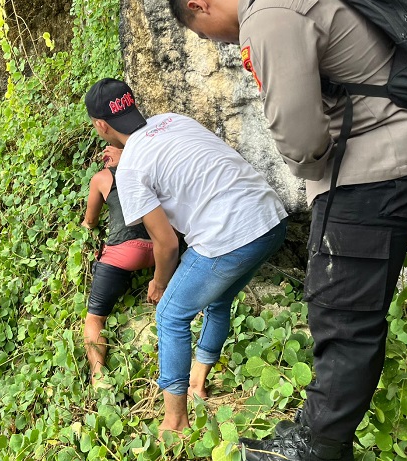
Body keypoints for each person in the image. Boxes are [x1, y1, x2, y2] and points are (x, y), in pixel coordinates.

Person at [168, 0, 407, 461]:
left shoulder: (269, 15)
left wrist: (312, 179)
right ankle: (320, 434)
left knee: (341, 313)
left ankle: (317, 448)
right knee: (348, 311)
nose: (219, 43)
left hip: (376, 172)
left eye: (205, 33)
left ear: (199, 6)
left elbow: (301, 137)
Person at [85, 78, 288, 433]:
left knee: (169, 315)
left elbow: (166, 244)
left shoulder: (130, 167)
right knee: (218, 302)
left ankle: (174, 420)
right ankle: (197, 383)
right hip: (270, 220)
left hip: (228, 237)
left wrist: (160, 282)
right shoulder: (175, 120)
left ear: (101, 126)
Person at [81, 148, 155, 386]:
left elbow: (90, 221)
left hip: (123, 252)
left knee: (94, 317)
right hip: (161, 249)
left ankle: (98, 375)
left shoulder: (103, 178)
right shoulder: (148, 169)